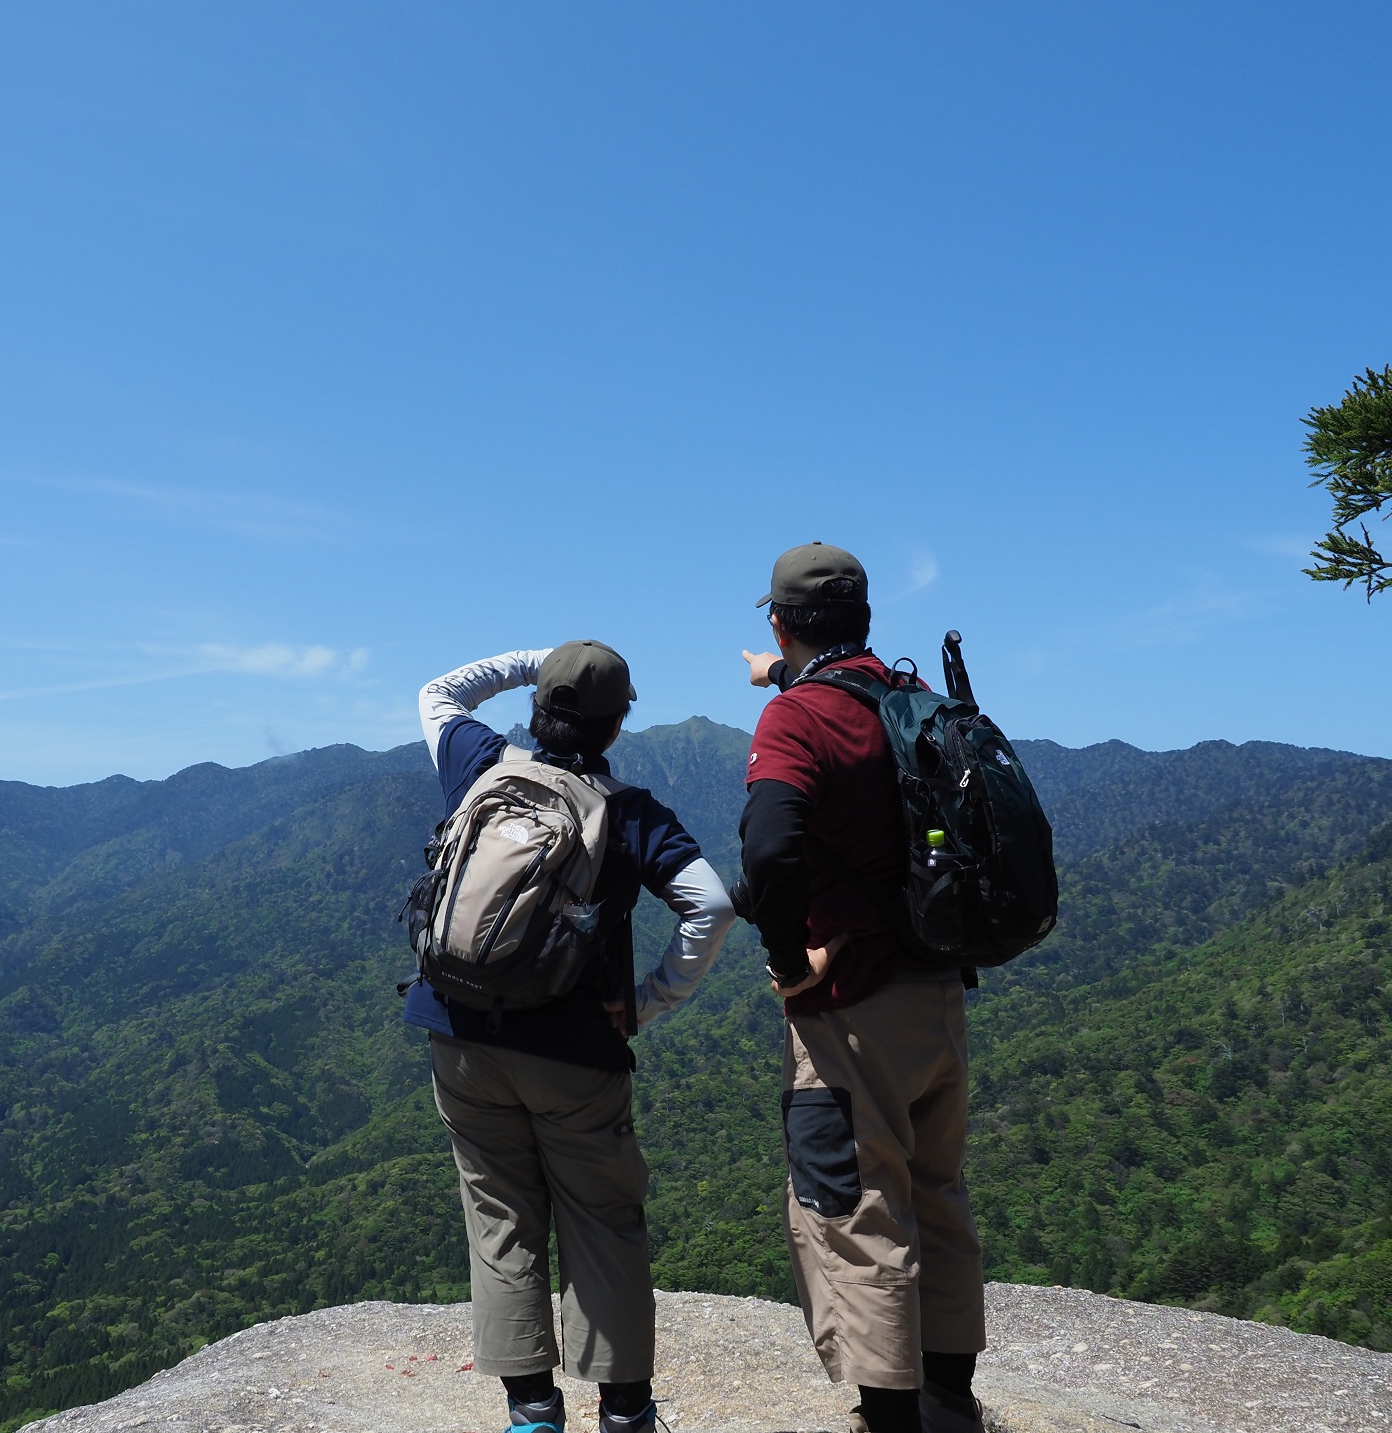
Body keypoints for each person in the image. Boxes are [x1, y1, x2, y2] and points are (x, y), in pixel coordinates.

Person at [409, 640, 736, 1433]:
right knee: (602, 1221)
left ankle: (531, 1413)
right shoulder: (629, 815)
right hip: (575, 1052)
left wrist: (537, 658)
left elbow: (440, 691)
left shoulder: (482, 765)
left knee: (499, 1220)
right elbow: (712, 906)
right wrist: (651, 1000)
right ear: (617, 724)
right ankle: (623, 1413)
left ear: (538, 708)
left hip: (457, 1033)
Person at [733, 543, 988, 1433]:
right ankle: (950, 1403)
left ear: (778, 621)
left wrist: (787, 960)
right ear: (865, 619)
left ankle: (889, 1422)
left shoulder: (796, 723)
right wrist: (782, 678)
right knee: (936, 1191)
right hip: (938, 992)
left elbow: (771, 851)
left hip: (851, 1010)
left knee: (855, 1208)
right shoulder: (913, 701)